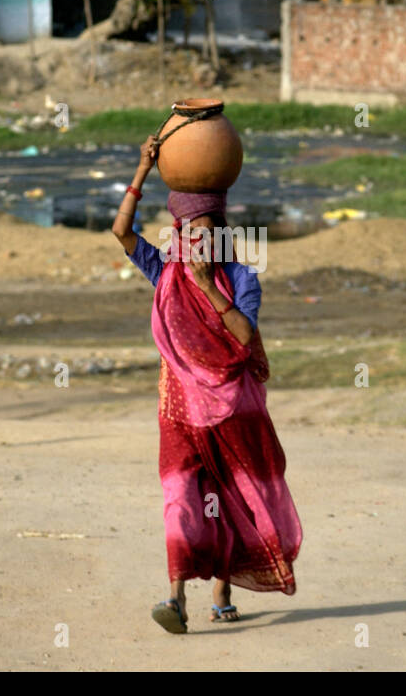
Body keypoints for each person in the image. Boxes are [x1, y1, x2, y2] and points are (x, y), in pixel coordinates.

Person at [112, 134, 302, 633]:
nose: (190, 243)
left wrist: (205, 288)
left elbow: (244, 335)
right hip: (177, 406)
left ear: (220, 236)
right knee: (181, 498)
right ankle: (174, 598)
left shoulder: (241, 276)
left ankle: (222, 585)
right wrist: (143, 169)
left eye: (200, 234)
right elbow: (121, 232)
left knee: (232, 496)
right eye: (184, 234)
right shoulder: (166, 271)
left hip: (233, 409)